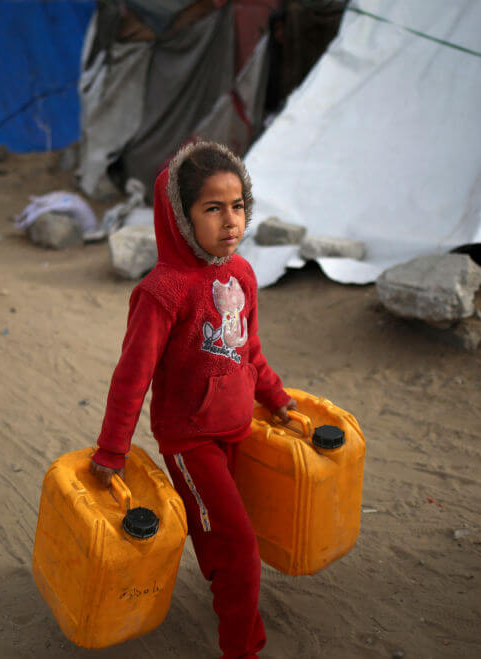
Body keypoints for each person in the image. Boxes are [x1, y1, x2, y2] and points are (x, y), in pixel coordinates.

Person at [89, 140, 295, 659]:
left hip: (237, 427)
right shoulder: (163, 292)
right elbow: (131, 380)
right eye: (213, 208)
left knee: (221, 538)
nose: (231, 221)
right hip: (190, 439)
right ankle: (242, 648)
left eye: (238, 205)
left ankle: (227, 591)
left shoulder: (241, 274)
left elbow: (248, 350)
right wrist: (112, 452)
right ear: (181, 217)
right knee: (239, 549)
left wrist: (275, 397)